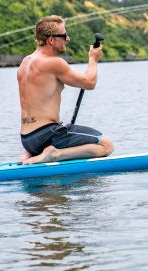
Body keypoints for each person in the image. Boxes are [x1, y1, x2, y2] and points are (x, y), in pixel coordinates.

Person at [18, 15, 114, 164]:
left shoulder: (25, 62)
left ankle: (30, 154)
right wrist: (93, 60)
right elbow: (89, 82)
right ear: (51, 39)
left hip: (27, 139)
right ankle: (54, 154)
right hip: (47, 135)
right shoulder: (54, 63)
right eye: (64, 35)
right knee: (106, 145)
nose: (67, 39)